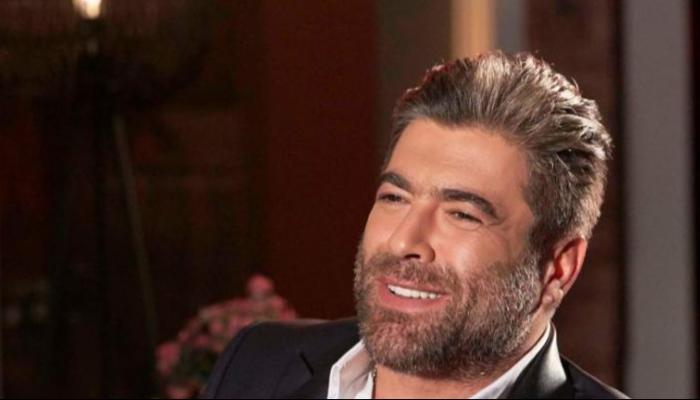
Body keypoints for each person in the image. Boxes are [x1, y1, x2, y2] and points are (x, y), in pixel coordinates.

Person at [202, 51, 628, 399]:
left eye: (462, 214)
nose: (405, 240)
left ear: (558, 267)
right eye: (394, 198)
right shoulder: (258, 365)